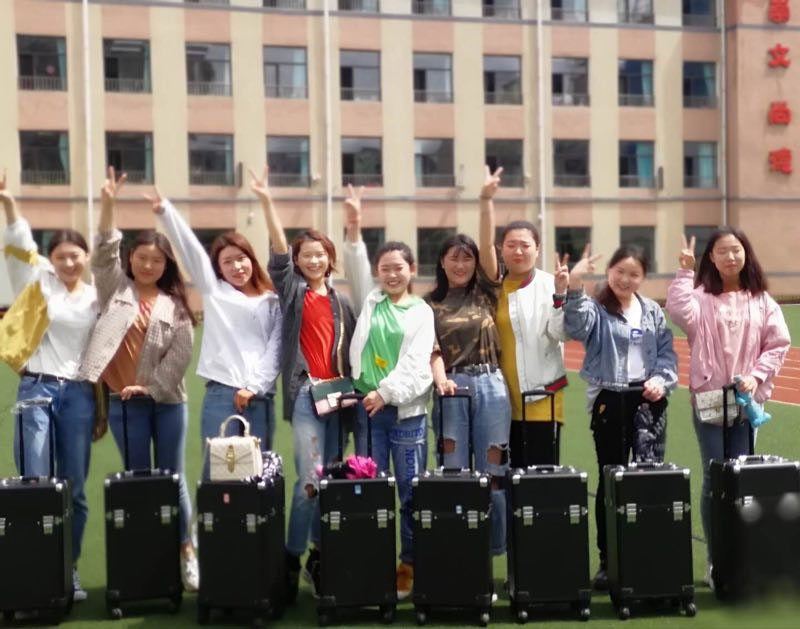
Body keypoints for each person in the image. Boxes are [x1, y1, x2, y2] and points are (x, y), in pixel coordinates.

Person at [79, 167, 198, 592]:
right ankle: (148, 553)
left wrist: (150, 388)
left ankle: (186, 551)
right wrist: (108, 202)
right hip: (123, 405)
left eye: (157, 260)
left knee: (173, 478)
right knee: (137, 477)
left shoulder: (175, 305)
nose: (148, 265)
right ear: (131, 259)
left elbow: (180, 357)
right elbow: (102, 252)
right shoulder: (115, 290)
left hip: (167, 404)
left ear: (166, 265)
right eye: (142, 258)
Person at [251, 166, 356, 601]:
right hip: (307, 396)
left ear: (330, 259)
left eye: (320, 254)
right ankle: (291, 558)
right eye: (306, 255)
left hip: (339, 398)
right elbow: (277, 253)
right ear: (297, 262)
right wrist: (266, 200)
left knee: (329, 480)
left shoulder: (342, 303)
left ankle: (317, 556)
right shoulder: (294, 293)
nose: (314, 260)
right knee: (309, 481)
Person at [665, 229, 790, 588]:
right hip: (710, 400)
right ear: (712, 258)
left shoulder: (762, 300)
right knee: (715, 478)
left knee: (743, 478)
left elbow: (778, 344)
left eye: (736, 250)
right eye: (722, 251)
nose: (731, 257)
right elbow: (677, 309)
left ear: (746, 254)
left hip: (747, 402)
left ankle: (743, 554)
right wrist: (684, 272)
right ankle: (716, 558)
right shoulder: (700, 298)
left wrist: (757, 375)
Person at [1, 169, 100, 601]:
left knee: (74, 488)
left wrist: (101, 406)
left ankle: (68, 568)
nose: (68, 263)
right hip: (37, 391)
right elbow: (20, 248)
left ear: (86, 256)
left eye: (75, 255)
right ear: (52, 259)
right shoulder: (39, 284)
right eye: (60, 256)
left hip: (78, 395)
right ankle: (36, 572)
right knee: (36, 483)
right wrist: (8, 203)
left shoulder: (95, 298)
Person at [564, 244, 678, 591]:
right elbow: (575, 327)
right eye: (619, 272)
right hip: (610, 400)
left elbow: (666, 353)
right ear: (609, 271)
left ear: (643, 277)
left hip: (648, 401)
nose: (625, 280)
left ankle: (644, 556)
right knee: (610, 479)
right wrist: (575, 283)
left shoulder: (651, 311)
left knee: (648, 479)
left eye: (634, 274)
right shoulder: (596, 308)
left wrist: (661, 380)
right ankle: (607, 561)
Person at [343, 185, 435, 601]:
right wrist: (355, 224)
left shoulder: (420, 312)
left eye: (399, 267)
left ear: (411, 269)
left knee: (410, 493)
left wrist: (384, 392)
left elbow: (418, 366)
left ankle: (409, 564)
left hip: (405, 415)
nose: (391, 274)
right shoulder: (372, 300)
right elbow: (354, 263)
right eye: (385, 268)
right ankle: (373, 562)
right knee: (371, 489)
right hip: (367, 412)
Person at [151, 187, 282, 477]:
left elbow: (276, 348)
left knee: (259, 476)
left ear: (252, 259)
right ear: (219, 270)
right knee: (218, 475)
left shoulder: (272, 300)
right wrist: (166, 212)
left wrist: (254, 386)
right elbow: (192, 253)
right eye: (227, 262)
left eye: (241, 258)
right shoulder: (215, 292)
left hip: (260, 398)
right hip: (222, 396)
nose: (237, 267)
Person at [427, 230, 511, 561]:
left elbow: (489, 249)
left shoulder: (486, 293)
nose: (461, 265)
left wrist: (485, 205)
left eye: (468, 258)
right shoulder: (429, 304)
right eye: (454, 258)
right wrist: (441, 380)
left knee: (494, 474)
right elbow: (431, 350)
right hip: (451, 389)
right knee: (454, 473)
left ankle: (493, 550)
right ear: (441, 262)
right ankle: (458, 550)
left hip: (491, 385)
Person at [479, 166, 570, 466]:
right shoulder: (495, 285)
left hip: (541, 399)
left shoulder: (550, 285)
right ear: (501, 249)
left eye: (525, 245)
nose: (518, 251)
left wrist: (561, 295)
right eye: (511, 245)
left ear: (537, 249)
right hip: (500, 400)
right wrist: (486, 201)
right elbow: (483, 246)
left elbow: (562, 333)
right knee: (502, 477)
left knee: (539, 480)